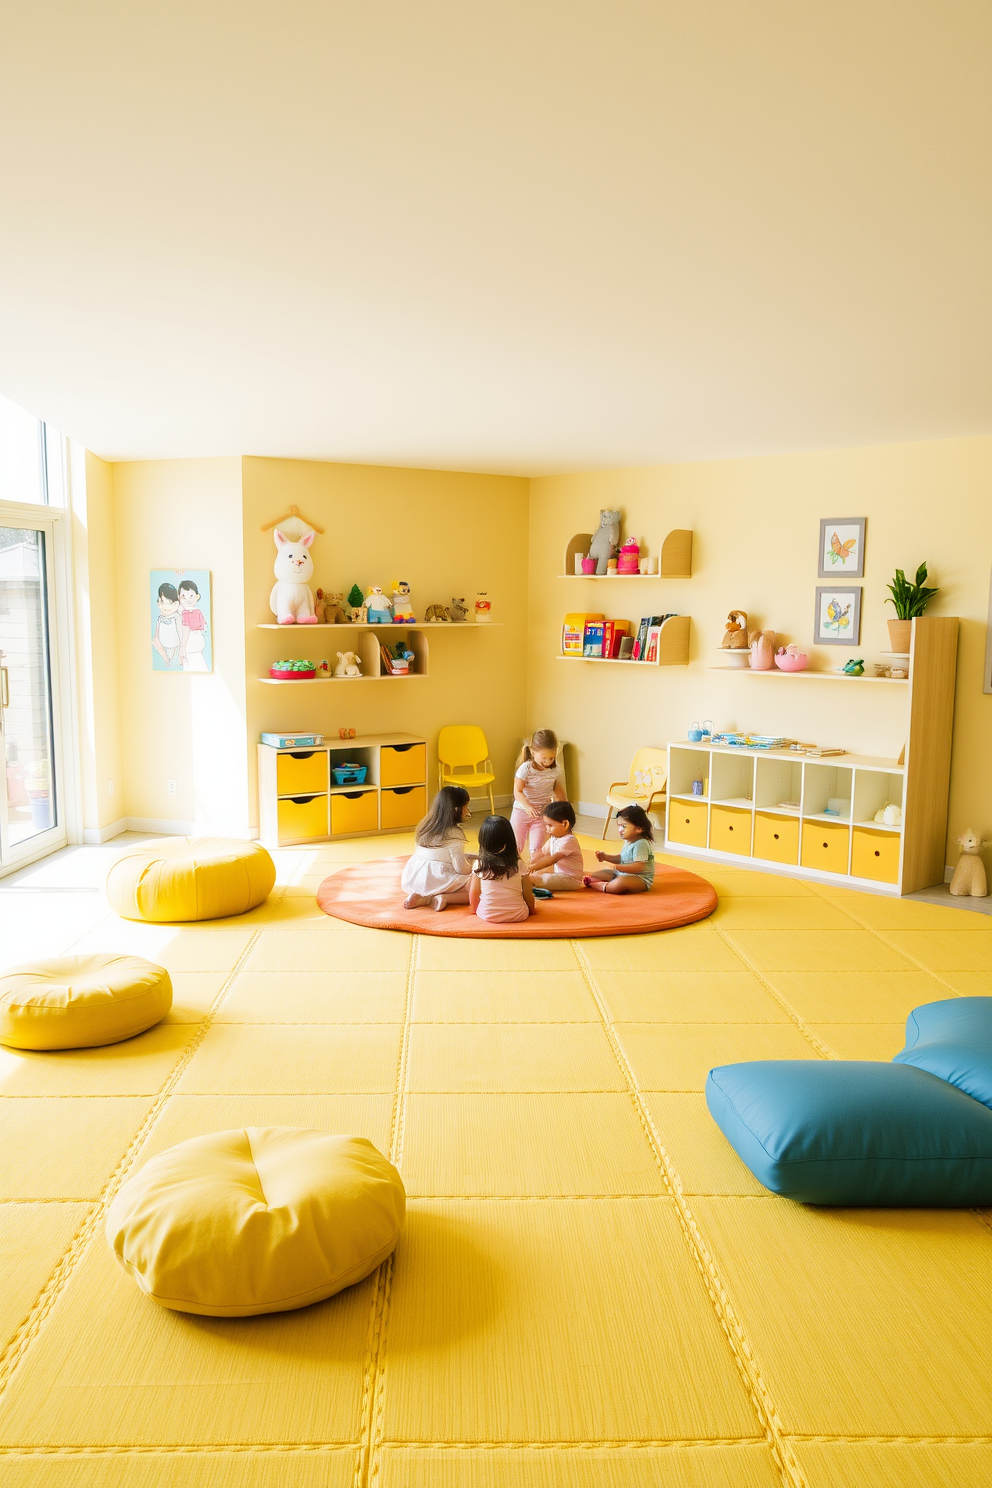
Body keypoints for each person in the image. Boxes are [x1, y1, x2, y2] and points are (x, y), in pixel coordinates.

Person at [402, 785, 474, 911]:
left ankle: (424, 895)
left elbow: (441, 854)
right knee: (478, 887)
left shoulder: (425, 825)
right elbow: (461, 868)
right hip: (437, 877)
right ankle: (440, 898)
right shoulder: (453, 833)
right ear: (457, 809)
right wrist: (473, 866)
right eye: (465, 806)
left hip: (415, 876)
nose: (466, 810)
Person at [469, 814, 535, 923]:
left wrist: (474, 910)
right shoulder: (519, 864)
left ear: (483, 841)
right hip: (518, 915)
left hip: (488, 915)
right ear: (510, 840)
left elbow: (473, 893)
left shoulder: (480, 864)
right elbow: (528, 894)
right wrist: (532, 911)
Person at [511, 728, 567, 859]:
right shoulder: (525, 769)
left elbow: (559, 791)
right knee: (516, 847)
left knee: (538, 850)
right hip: (521, 813)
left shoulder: (554, 771)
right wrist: (528, 807)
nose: (548, 762)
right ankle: (512, 873)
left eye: (551, 758)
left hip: (542, 815)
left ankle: (534, 874)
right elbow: (517, 792)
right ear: (532, 752)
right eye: (544, 758)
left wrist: (563, 810)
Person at [584, 805, 655, 894]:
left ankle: (602, 886)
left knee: (620, 883)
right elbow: (622, 859)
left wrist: (616, 867)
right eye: (619, 826)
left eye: (624, 826)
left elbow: (638, 867)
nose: (620, 830)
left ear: (638, 828)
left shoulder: (641, 844)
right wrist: (606, 857)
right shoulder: (628, 842)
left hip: (639, 879)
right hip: (623, 874)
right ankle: (596, 880)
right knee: (601, 873)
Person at [528, 800, 585, 892]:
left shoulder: (569, 840)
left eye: (550, 825)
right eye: (546, 825)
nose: (547, 828)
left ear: (565, 824)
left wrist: (533, 867)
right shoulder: (554, 838)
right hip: (560, 875)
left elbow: (551, 860)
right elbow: (542, 852)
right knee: (537, 875)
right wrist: (528, 863)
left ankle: (526, 884)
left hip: (570, 880)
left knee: (540, 878)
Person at [178, 578, 209, 672]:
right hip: (197, 640)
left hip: (191, 642)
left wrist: (182, 646)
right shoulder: (195, 611)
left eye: (191, 596)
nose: (188, 600)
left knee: (191, 665)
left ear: (197, 597)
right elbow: (204, 625)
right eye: (184, 597)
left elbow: (186, 629)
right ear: (179, 598)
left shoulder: (186, 613)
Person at [152, 583, 182, 667]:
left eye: (170, 603)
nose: (166, 606)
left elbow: (180, 632)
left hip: (174, 645)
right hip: (163, 645)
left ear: (177, 603)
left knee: (173, 660)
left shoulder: (176, 616)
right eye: (162, 602)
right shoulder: (160, 617)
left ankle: (169, 662)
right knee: (155, 642)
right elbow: (156, 635)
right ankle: (166, 660)